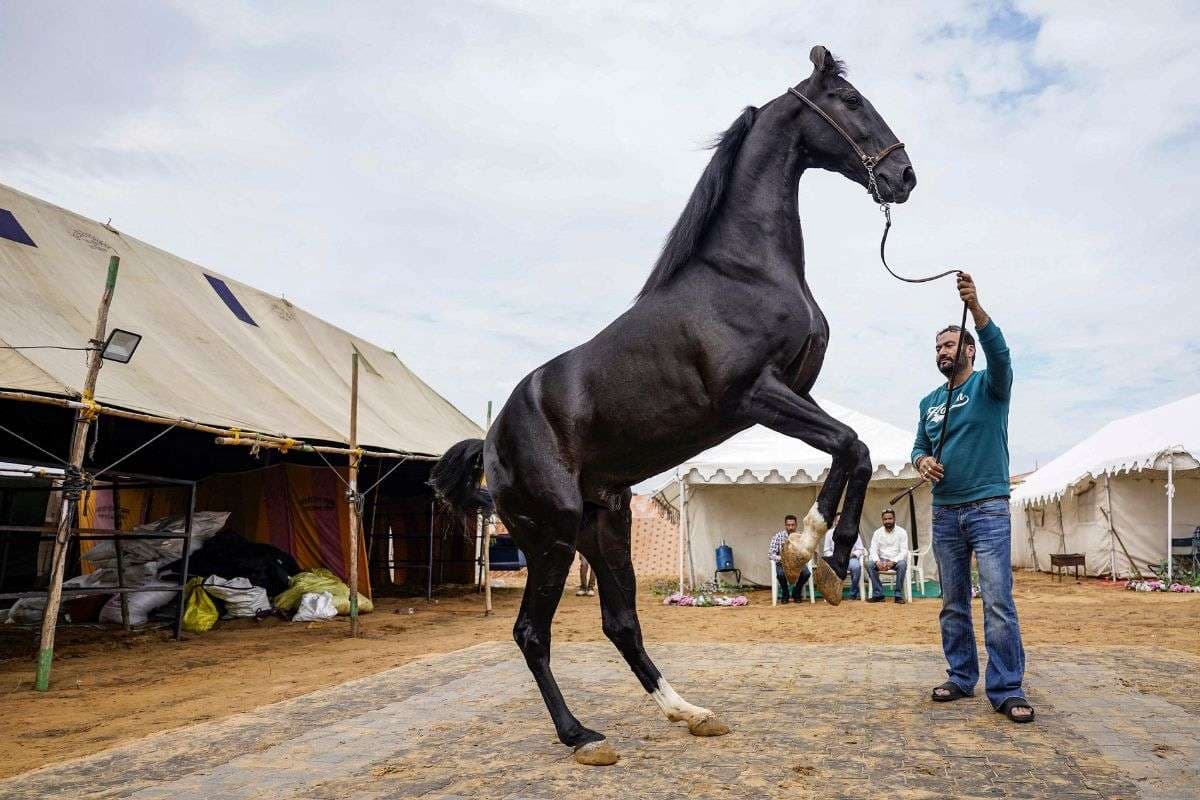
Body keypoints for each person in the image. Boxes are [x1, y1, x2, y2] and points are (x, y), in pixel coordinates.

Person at [912, 272, 1033, 723]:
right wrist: (922, 463)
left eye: (950, 345)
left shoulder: (990, 385)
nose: (942, 352)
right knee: (952, 602)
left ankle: (1006, 688)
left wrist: (976, 307)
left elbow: (1001, 353)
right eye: (938, 347)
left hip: (987, 507)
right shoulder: (928, 402)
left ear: (968, 350)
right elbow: (918, 449)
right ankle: (962, 678)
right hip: (945, 511)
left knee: (998, 599)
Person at [865, 509, 909, 603]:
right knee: (869, 564)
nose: (887, 521)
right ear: (882, 520)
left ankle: (898, 595)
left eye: (890, 518)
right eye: (885, 519)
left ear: (894, 519)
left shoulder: (902, 532)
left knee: (903, 564)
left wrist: (893, 561)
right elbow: (873, 550)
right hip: (881, 560)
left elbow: (904, 551)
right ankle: (879, 595)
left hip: (895, 561)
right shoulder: (877, 533)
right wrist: (877, 561)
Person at [823, 513, 866, 600]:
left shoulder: (854, 532)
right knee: (827, 567)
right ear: (835, 522)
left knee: (856, 567)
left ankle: (853, 594)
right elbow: (826, 551)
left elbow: (861, 549)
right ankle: (833, 594)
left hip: (850, 559)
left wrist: (852, 554)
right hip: (835, 560)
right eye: (839, 521)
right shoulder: (829, 533)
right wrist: (835, 556)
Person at [768, 514, 808, 603]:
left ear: (796, 525)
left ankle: (796, 592)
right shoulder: (778, 536)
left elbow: (805, 552)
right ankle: (785, 593)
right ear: (785, 525)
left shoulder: (801, 537)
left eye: (793, 525)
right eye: (788, 525)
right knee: (781, 574)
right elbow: (771, 554)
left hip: (797, 564)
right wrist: (782, 558)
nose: (791, 527)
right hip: (782, 563)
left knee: (806, 573)